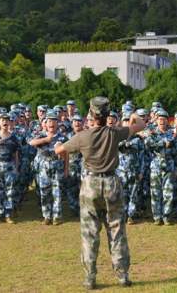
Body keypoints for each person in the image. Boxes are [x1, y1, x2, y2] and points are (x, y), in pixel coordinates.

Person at [55, 96, 145, 289]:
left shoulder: (83, 136)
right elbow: (140, 125)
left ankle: (90, 277)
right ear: (107, 115)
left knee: (90, 233)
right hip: (112, 182)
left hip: (90, 184)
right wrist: (131, 114)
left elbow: (60, 150)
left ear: (90, 114)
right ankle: (122, 275)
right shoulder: (115, 133)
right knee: (117, 230)